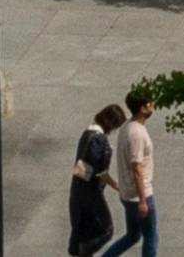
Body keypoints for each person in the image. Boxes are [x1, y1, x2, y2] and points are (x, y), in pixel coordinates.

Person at [114, 88, 162, 257]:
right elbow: (137, 168)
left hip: (127, 193)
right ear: (142, 108)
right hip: (139, 195)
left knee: (133, 235)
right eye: (149, 104)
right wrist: (143, 201)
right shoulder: (137, 134)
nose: (152, 106)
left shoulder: (127, 126)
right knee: (150, 236)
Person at [68, 107, 119, 257]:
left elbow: (82, 168)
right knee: (105, 229)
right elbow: (99, 171)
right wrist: (115, 185)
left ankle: (80, 250)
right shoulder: (98, 139)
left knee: (83, 232)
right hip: (90, 194)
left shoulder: (87, 134)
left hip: (78, 190)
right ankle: (83, 250)